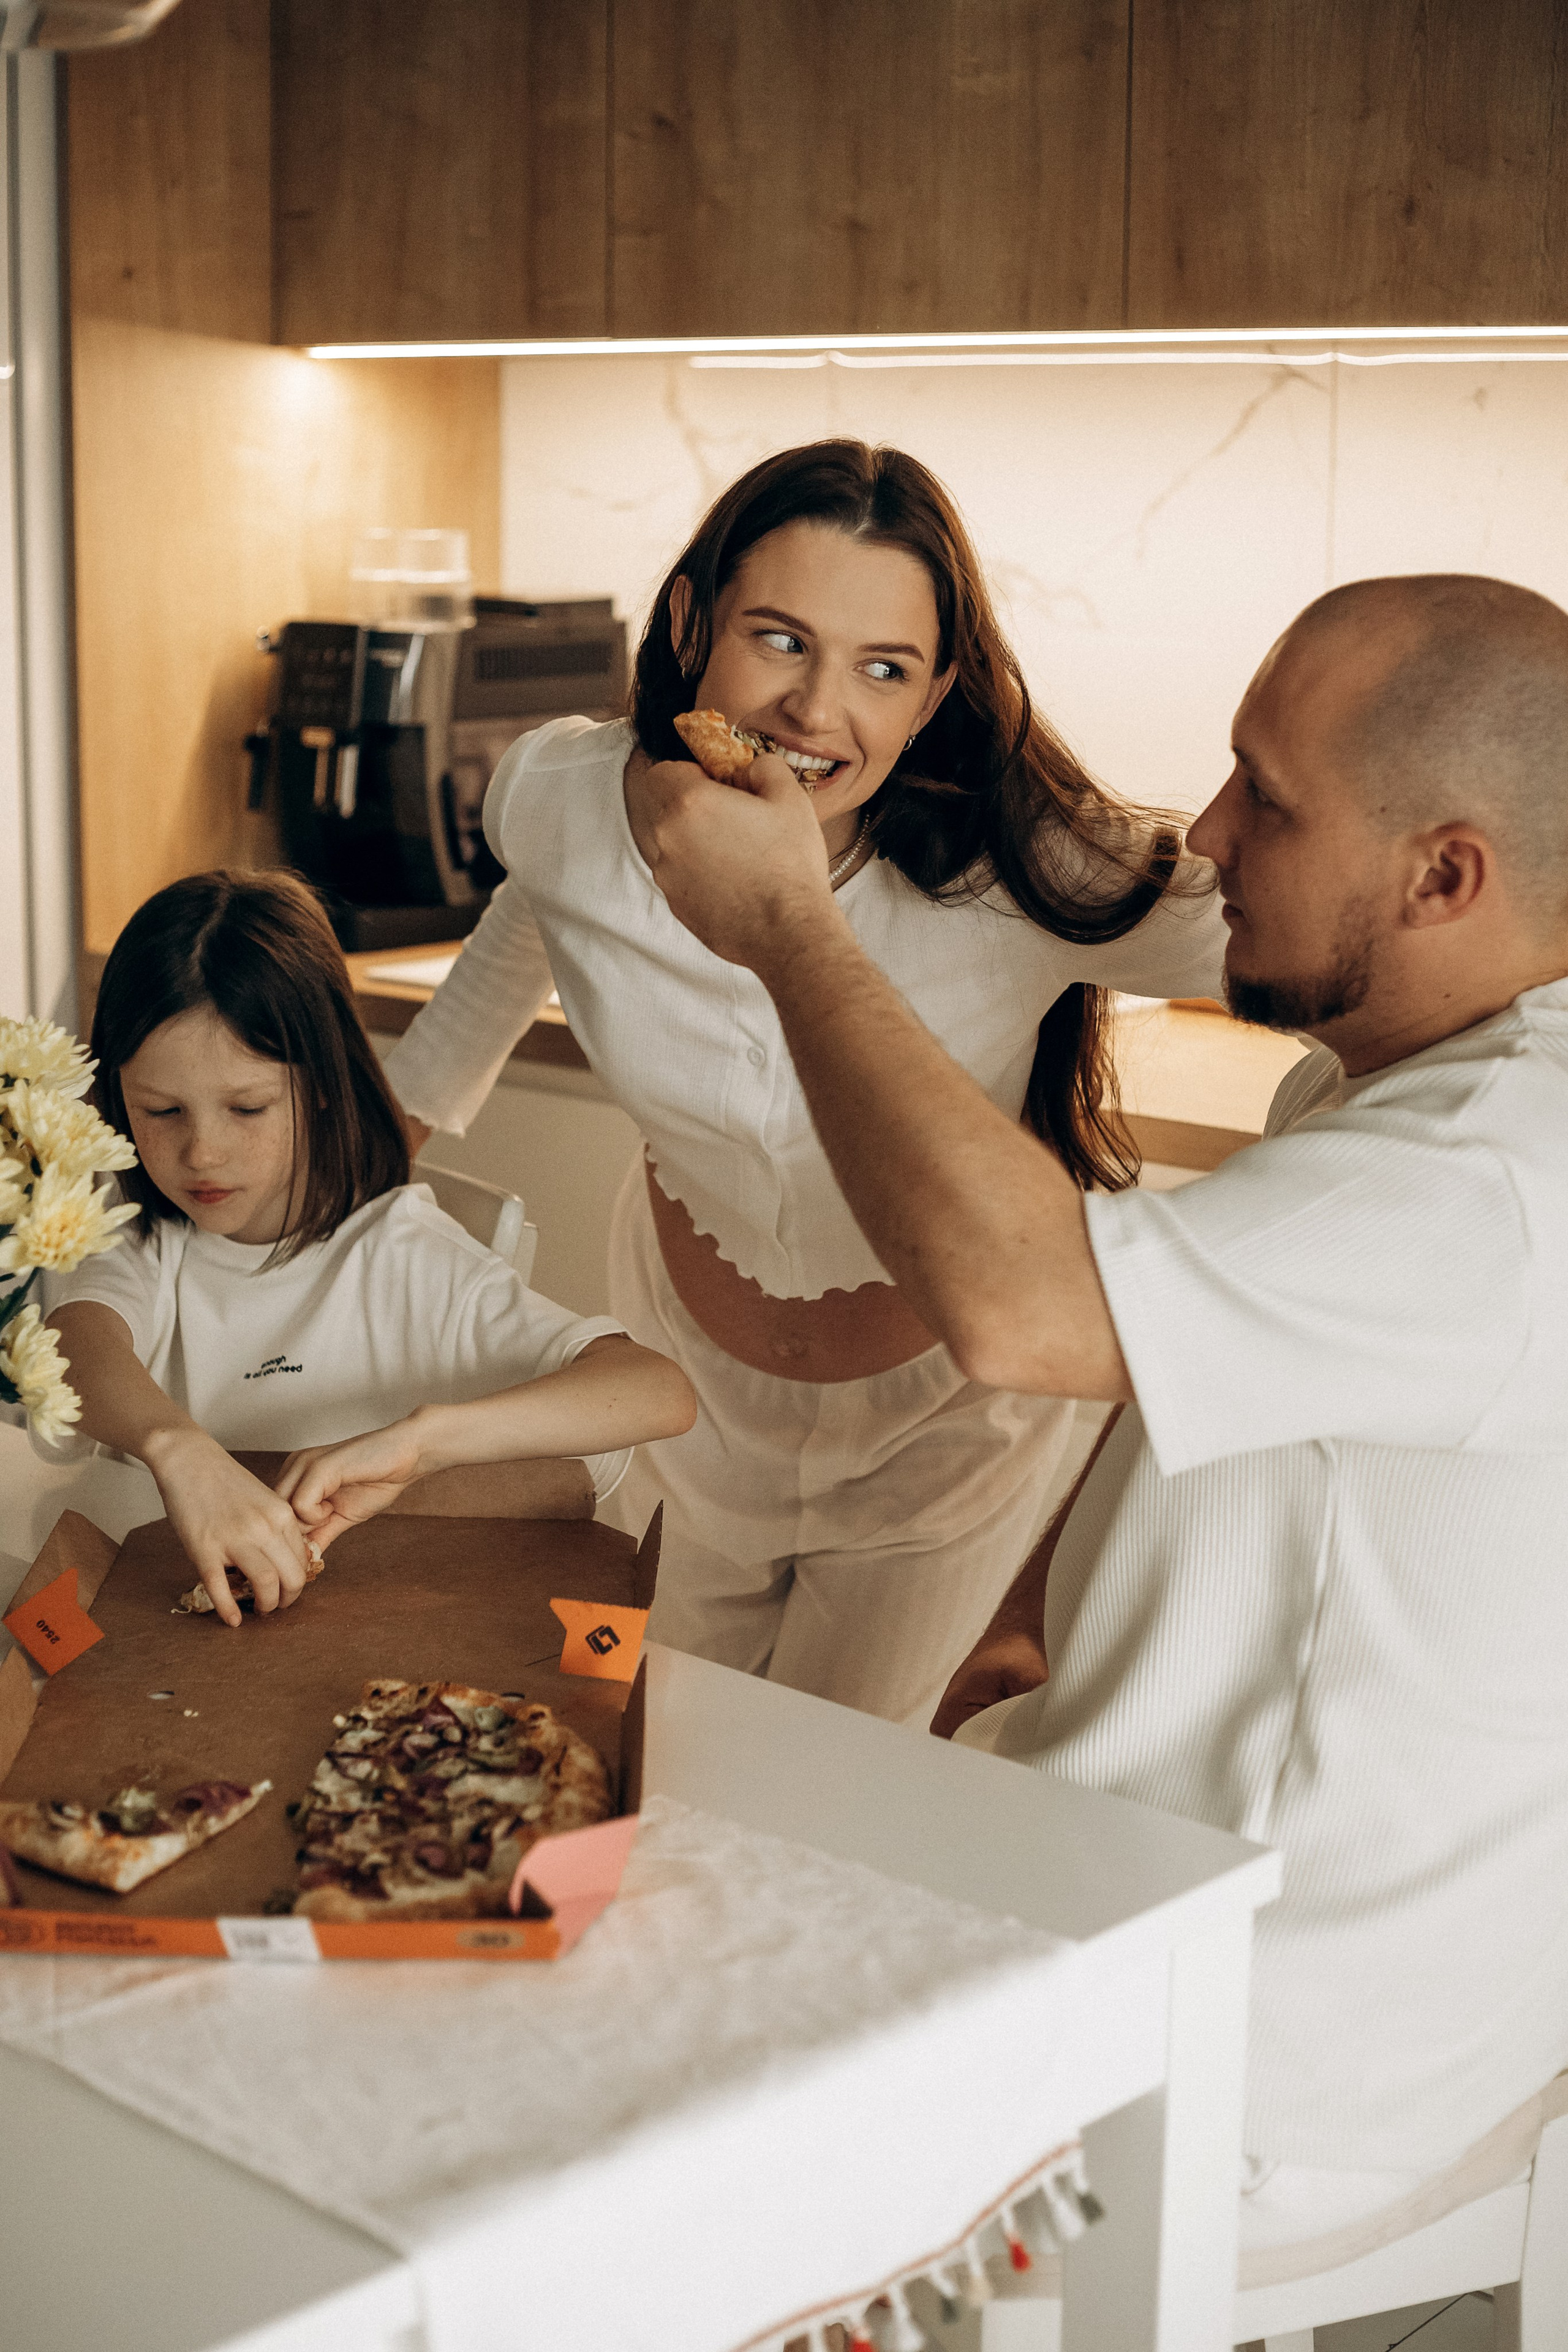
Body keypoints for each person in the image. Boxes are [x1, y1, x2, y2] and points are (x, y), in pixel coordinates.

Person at [631, 572, 1568, 2241]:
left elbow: (1022, 1308)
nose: (1204, 834)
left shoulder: (1482, 1187)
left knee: (616, 2027)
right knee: (676, 1810)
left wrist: (789, 927)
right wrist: (1031, 1618)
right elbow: (1219, 1392)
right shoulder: (1433, 1095)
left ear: (1445, 875)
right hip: (1351, 1967)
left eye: (1267, 799)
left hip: (1243, 2060)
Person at [382, 440, 1226, 1723]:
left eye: (880, 668)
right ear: (691, 622)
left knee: (838, 1795)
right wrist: (394, 1127)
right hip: (677, 1394)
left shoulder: (1025, 863)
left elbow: (1288, 939)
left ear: (936, 693)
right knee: (662, 1756)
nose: (815, 712)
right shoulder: (563, 790)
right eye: (778, 639)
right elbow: (530, 900)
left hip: (943, 1432)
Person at [46, 871, 695, 1623]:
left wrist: (426, 1441)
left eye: (248, 1107)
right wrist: (179, 1451)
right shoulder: (141, 1245)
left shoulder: (406, 1255)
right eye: (161, 1110)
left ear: (322, 1084)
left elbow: (658, 1391)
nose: (202, 1153)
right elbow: (75, 1342)